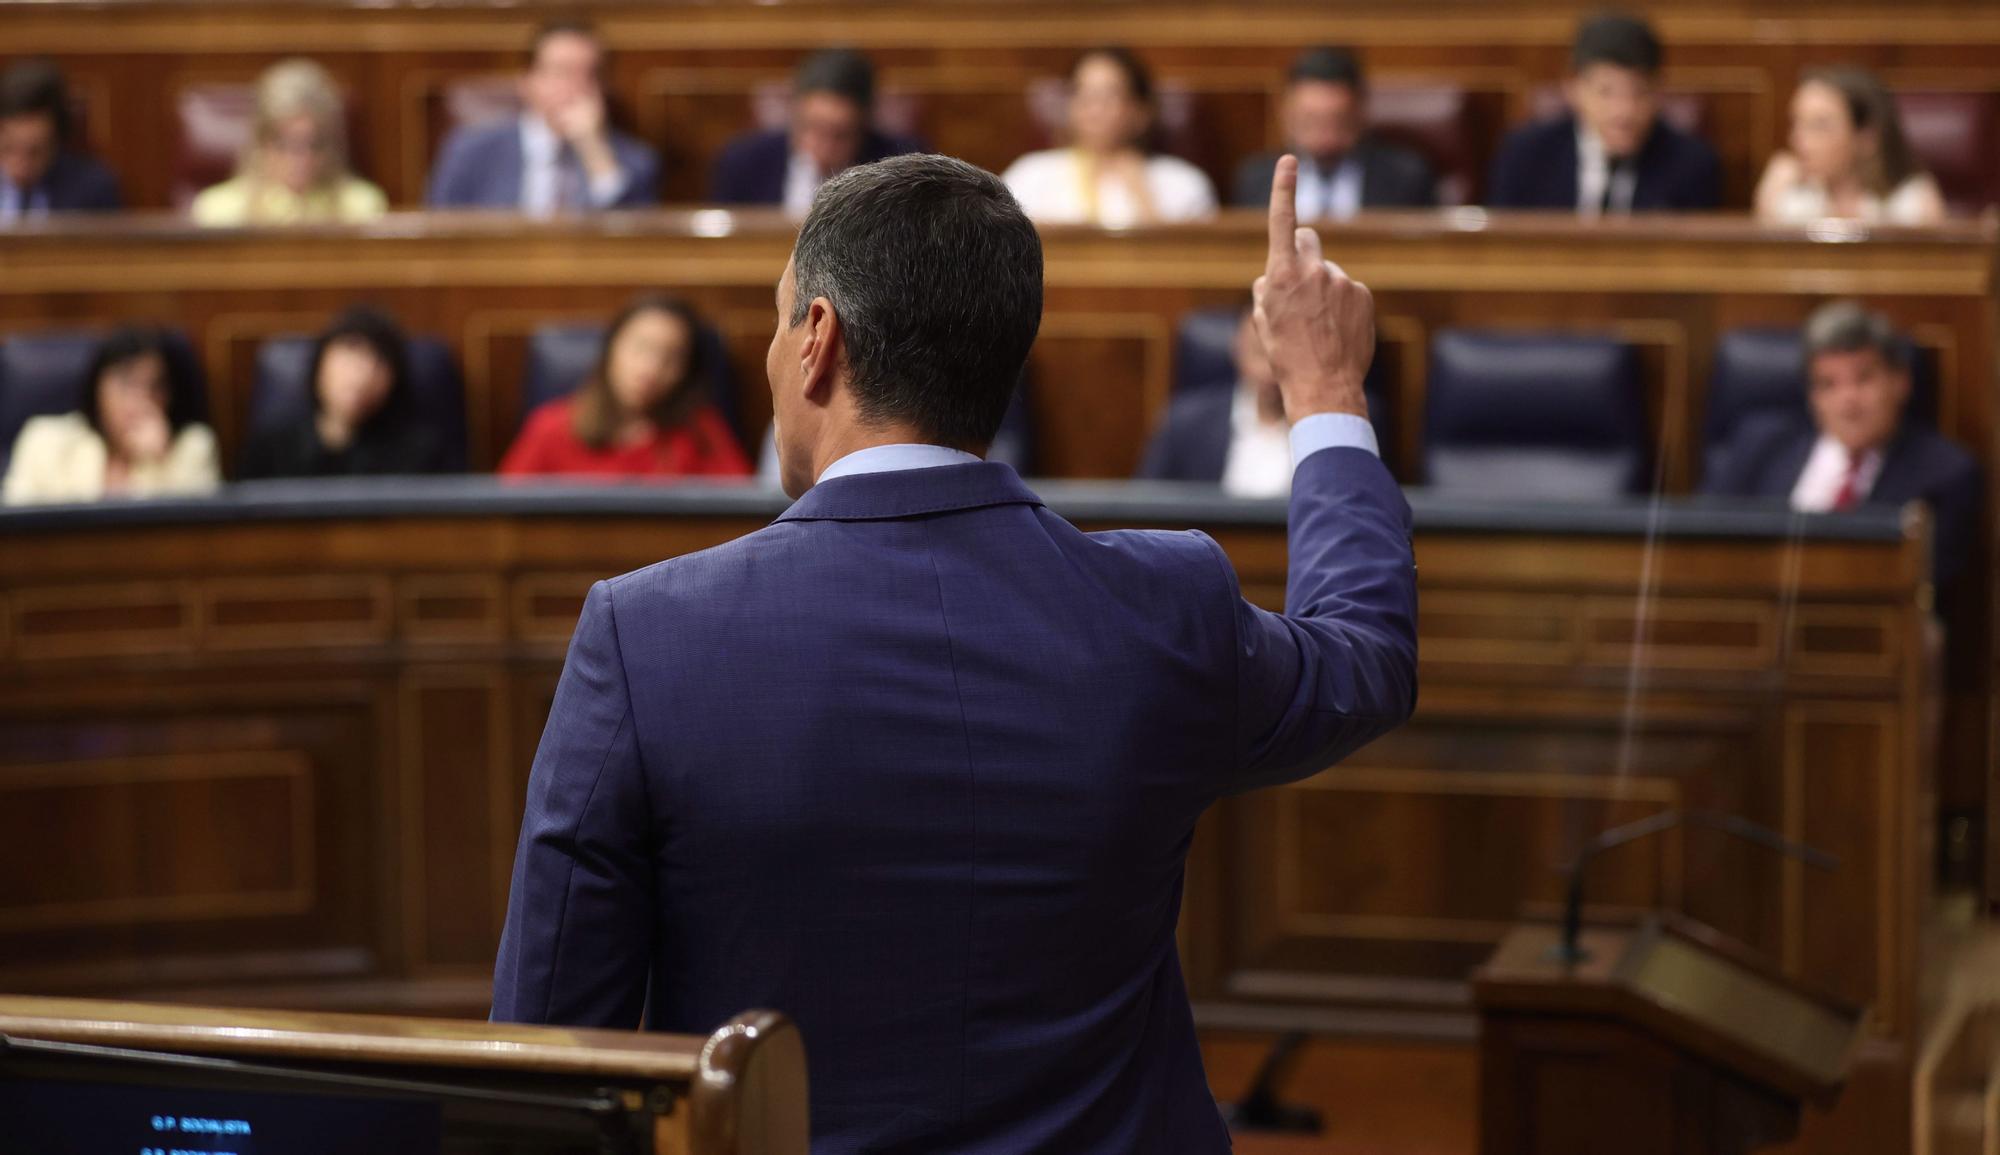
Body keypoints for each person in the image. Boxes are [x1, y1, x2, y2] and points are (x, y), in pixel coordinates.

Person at [490, 152, 1416, 1152]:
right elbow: (1363, 653)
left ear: (816, 342)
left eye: (773, 321)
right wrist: (1324, 388)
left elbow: (546, 1067)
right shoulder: (1165, 604)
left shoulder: (645, 635)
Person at [1704, 301, 1978, 589]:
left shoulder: (1946, 474)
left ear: (1900, 382)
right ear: (1812, 396)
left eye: (1863, 378)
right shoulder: (1758, 445)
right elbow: (1706, 545)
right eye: (1828, 384)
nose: (1848, 400)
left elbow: (1924, 582)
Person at [1486, 12, 1720, 214]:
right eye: (1606, 92)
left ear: (1660, 92)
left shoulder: (1692, 165)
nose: (1624, 111)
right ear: (1573, 88)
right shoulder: (1525, 156)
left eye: (1639, 92)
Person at [499, 294, 750, 479]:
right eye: (640, 348)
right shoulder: (550, 428)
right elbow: (505, 518)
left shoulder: (701, 432)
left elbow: (738, 516)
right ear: (611, 349)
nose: (651, 368)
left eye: (670, 358)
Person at [427, 20, 661, 213]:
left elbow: (634, 248)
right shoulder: (472, 150)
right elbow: (437, 236)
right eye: (563, 72)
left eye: (592, 74)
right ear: (527, 82)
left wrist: (595, 152)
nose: (578, 87)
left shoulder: (635, 162)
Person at [1001, 48, 1218, 225]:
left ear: (1141, 112)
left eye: (1109, 96)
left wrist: (1143, 197)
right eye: (1083, 94)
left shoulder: (1184, 183)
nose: (1094, 109)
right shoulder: (1030, 174)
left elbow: (1193, 264)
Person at [3, 328, 218, 504]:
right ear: (97, 387)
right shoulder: (45, 440)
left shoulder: (192, 448)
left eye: (155, 386)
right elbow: (14, 533)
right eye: (126, 383)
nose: (141, 399)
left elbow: (191, 540)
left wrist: (157, 464)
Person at [239, 306, 452, 479]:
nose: (362, 377)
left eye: (378, 363)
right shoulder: (271, 450)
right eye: (350, 357)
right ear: (319, 366)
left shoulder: (422, 456)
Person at [1231, 47, 1438, 217]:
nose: (1325, 138)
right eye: (1310, 121)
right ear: (1285, 114)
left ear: (1360, 113)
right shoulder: (1256, 178)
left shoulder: (1405, 177)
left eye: (1337, 121)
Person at [709, 49, 920, 211]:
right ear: (794, 113)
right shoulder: (743, 163)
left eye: (840, 134)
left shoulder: (899, 168)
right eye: (811, 128)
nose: (824, 147)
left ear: (863, 126)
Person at [191, 60, 387, 226]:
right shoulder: (218, 213)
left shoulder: (362, 209)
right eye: (284, 144)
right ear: (261, 142)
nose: (302, 158)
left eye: (314, 143)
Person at [1755, 67, 1945, 226]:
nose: (1796, 139)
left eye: (1819, 125)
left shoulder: (1912, 202)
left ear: (1867, 136)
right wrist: (1767, 204)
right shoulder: (1788, 193)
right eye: (1797, 122)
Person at [1139, 304, 1295, 495]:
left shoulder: (1326, 428)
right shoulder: (1186, 422)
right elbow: (1146, 506)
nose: (1269, 371)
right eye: (1259, 353)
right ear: (1237, 346)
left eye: (1283, 358)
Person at [0, 58, 121, 223]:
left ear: (56, 141)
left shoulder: (94, 190)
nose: (20, 166)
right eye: (8, 148)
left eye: (34, 152)